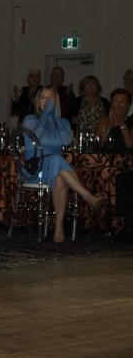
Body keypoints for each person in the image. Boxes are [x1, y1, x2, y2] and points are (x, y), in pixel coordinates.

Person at [23, 86, 106, 243]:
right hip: (35, 168)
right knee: (57, 159)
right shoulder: (31, 119)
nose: (47, 101)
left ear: (56, 100)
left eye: (51, 97)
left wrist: (55, 118)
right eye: (43, 97)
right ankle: (87, 195)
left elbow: (67, 141)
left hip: (53, 169)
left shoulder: (63, 122)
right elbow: (36, 138)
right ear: (37, 101)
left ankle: (59, 227)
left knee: (60, 177)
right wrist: (46, 113)